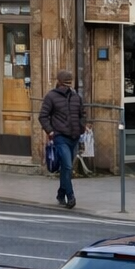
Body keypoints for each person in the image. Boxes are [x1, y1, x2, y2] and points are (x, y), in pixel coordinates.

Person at [38, 69, 88, 209]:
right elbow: (43, 116)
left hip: (74, 137)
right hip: (60, 137)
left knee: (67, 168)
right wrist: (50, 131)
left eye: (69, 82)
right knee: (67, 166)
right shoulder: (51, 96)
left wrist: (82, 126)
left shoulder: (76, 97)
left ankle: (61, 194)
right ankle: (70, 197)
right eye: (66, 82)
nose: (68, 84)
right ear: (59, 82)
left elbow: (82, 114)